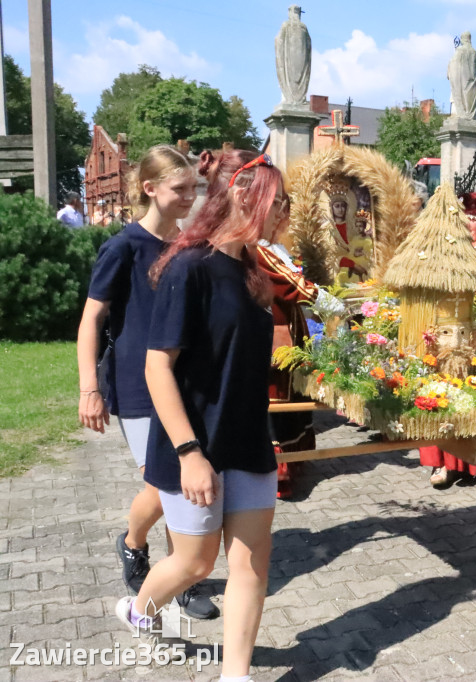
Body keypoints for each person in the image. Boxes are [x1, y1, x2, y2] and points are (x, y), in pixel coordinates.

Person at [115, 150, 288, 682]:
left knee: (251, 563)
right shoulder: (188, 267)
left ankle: (234, 675)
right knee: (196, 562)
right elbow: (157, 368)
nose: (286, 212)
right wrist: (190, 453)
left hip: (248, 438)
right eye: (279, 202)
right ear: (243, 197)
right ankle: (139, 610)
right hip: (193, 443)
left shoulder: (257, 274)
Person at [76, 145, 217, 621]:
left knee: (178, 479)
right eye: (180, 189)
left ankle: (181, 573)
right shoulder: (123, 246)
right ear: (149, 188)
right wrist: (88, 389)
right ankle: (137, 545)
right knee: (164, 484)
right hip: (137, 385)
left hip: (184, 379)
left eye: (194, 188)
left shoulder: (192, 245)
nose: (188, 197)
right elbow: (91, 319)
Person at [419, 192, 476, 488]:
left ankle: (466, 462)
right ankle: (440, 462)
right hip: (443, 331)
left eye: (475, 219)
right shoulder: (447, 246)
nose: (470, 223)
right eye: (466, 217)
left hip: (475, 334)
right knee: (439, 395)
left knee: (467, 396)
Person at [256, 234, 344, 499]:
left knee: (292, 393)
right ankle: (277, 474)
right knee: (278, 396)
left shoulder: (274, 247)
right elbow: (289, 284)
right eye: (277, 207)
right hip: (273, 334)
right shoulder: (260, 251)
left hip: (290, 329)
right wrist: (328, 301)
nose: (283, 216)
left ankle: (295, 461)